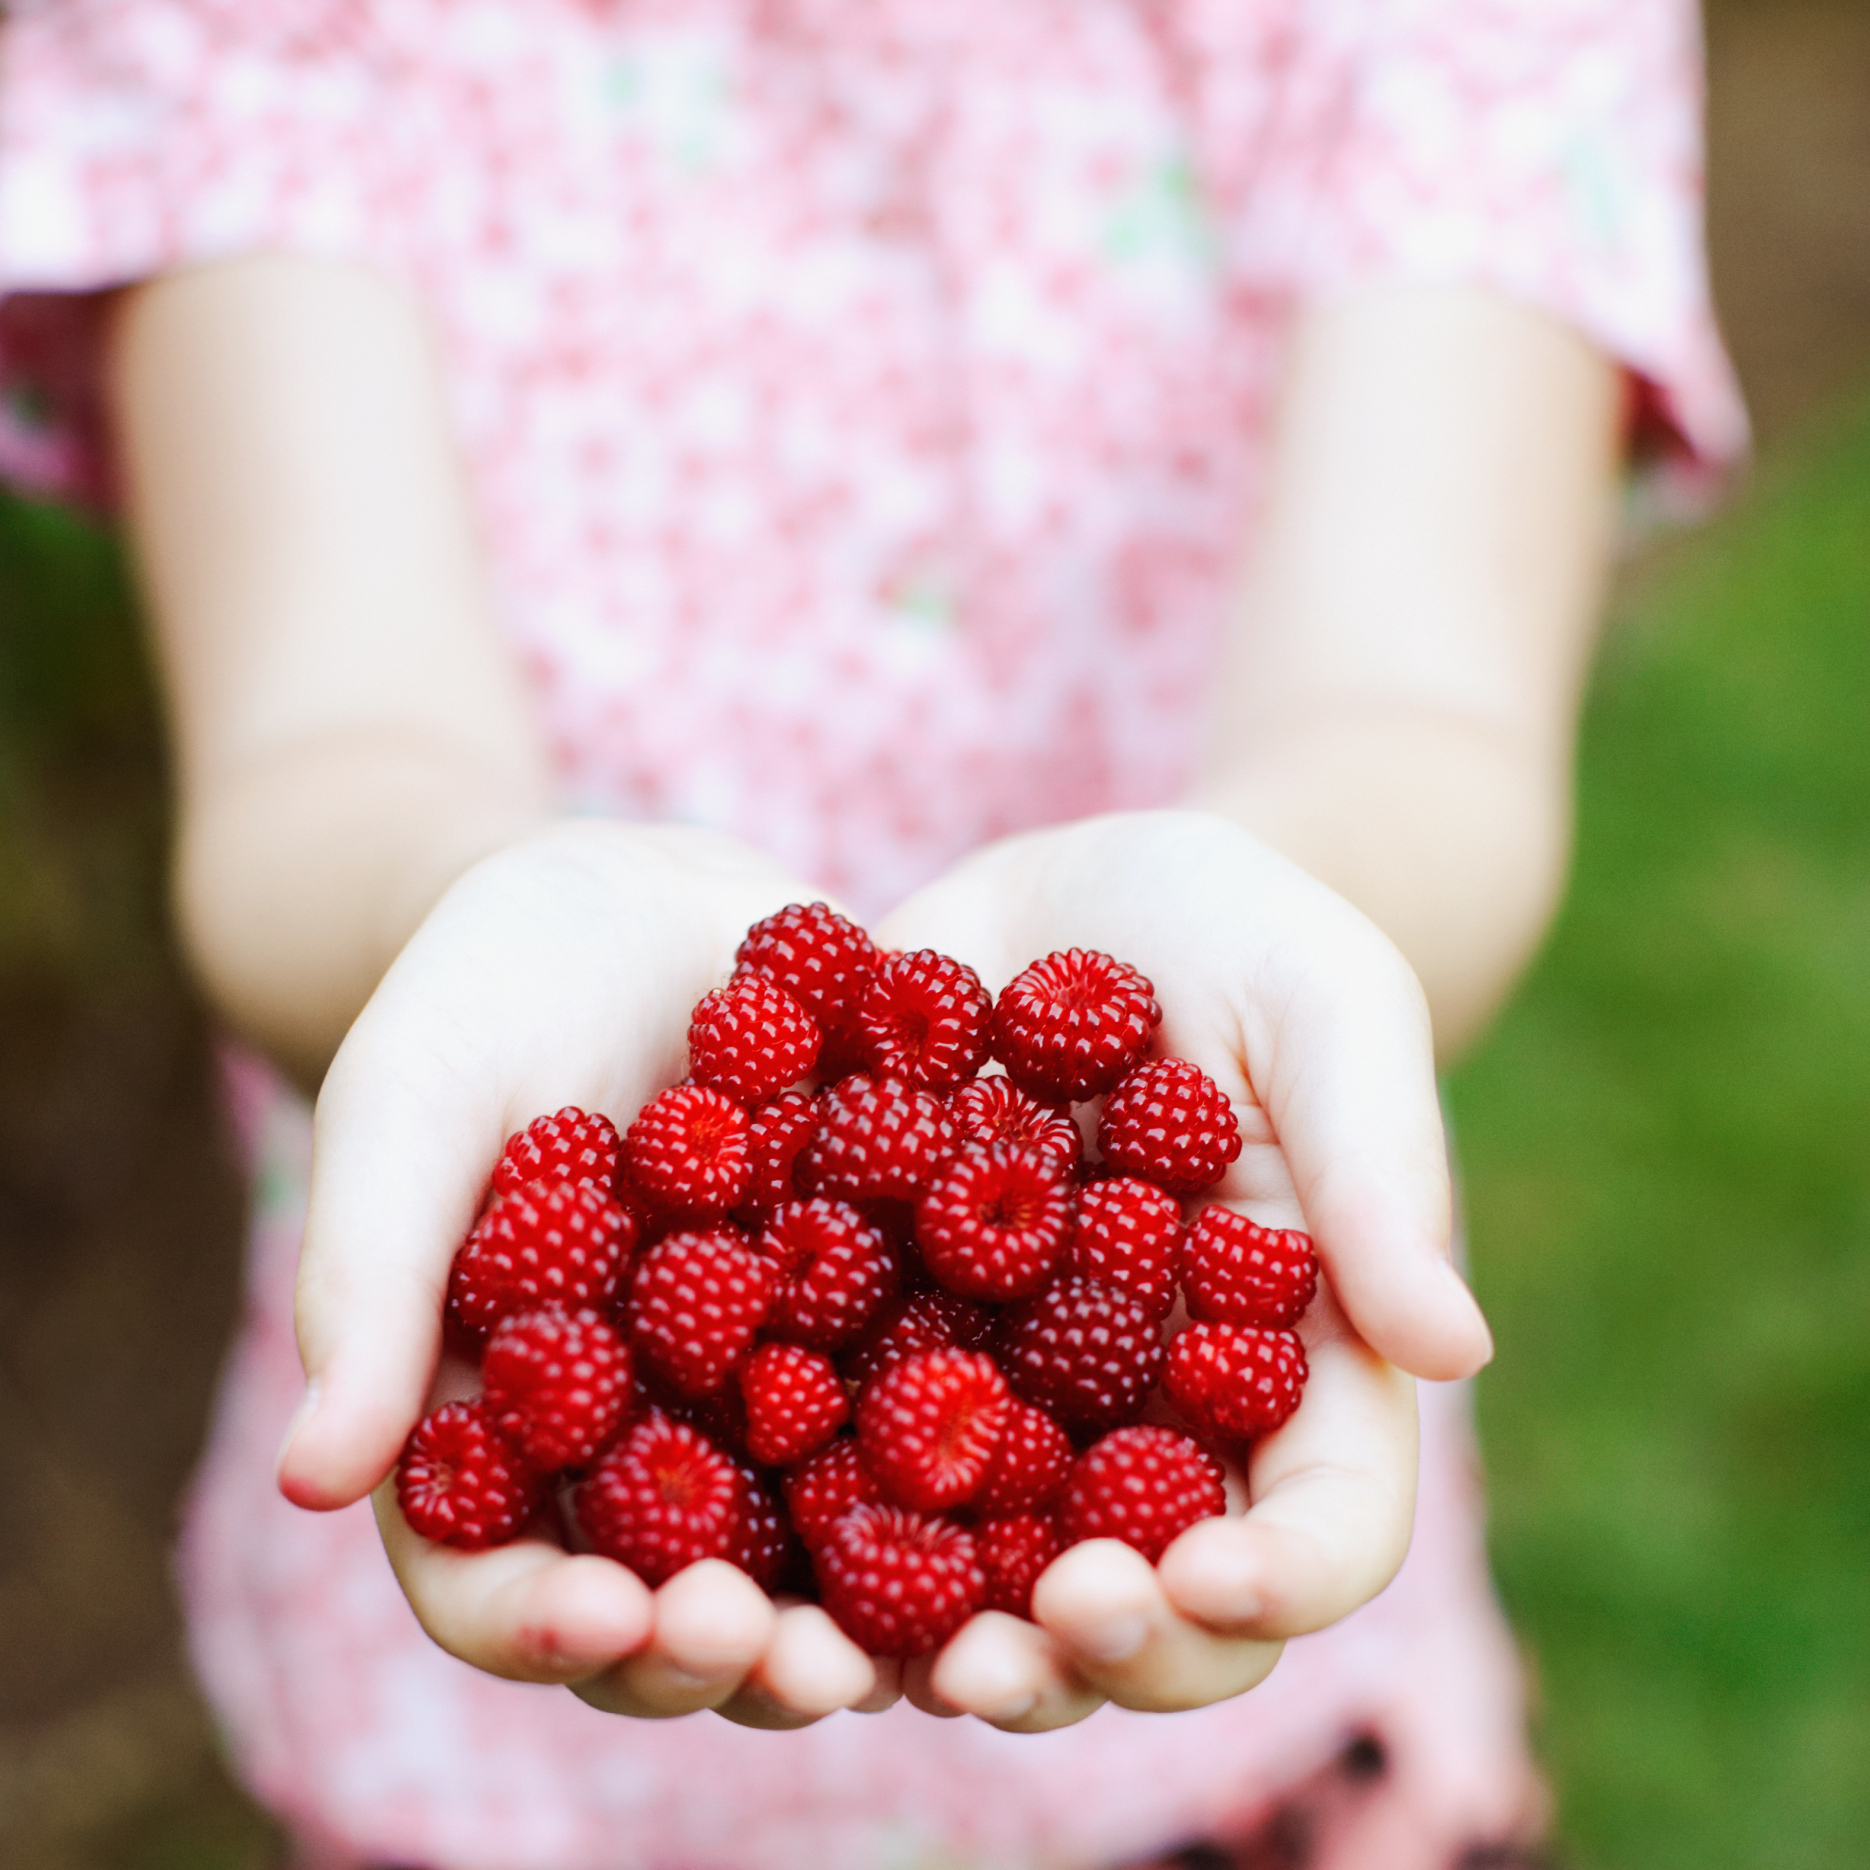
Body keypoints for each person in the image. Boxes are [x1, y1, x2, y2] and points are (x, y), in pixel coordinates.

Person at [0, 3, 1745, 1866]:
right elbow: (319, 755)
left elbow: (1418, 724)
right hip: (518, 1700)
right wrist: (459, 916)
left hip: (1215, 1632)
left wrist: (1274, 933)